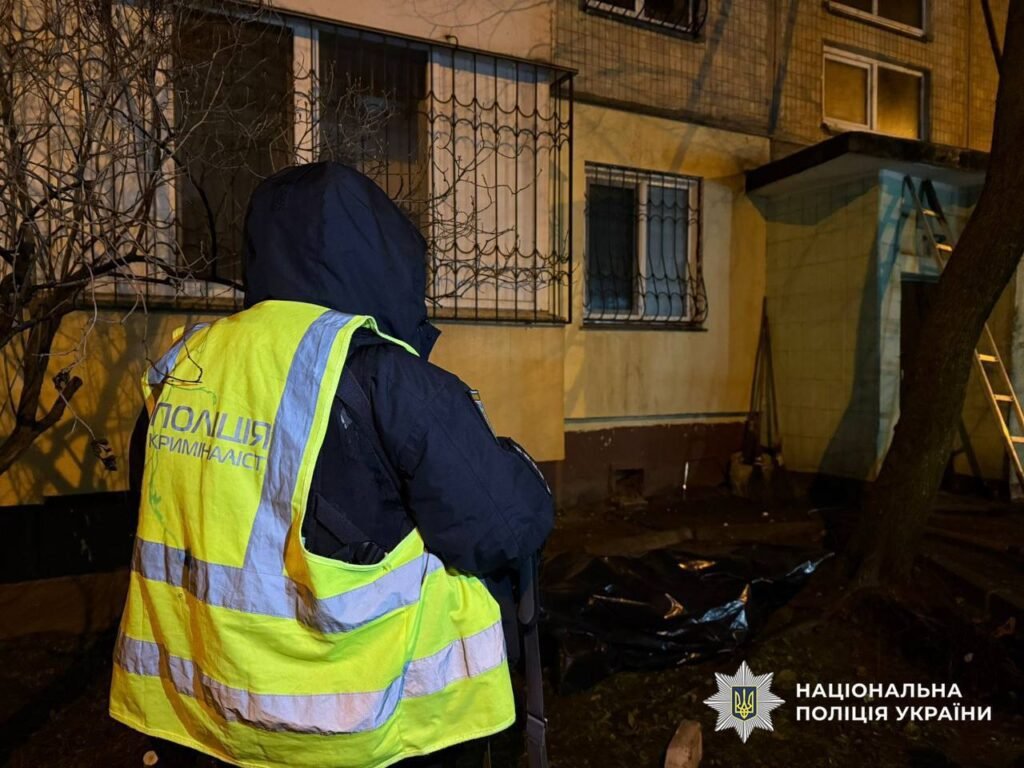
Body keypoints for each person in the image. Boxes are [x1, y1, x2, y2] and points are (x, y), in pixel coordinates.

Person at [111, 163, 554, 768]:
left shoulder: (182, 369)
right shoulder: (390, 379)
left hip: (205, 720)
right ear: (384, 258)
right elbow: (504, 528)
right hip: (370, 730)